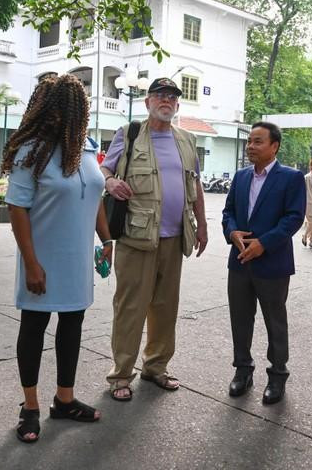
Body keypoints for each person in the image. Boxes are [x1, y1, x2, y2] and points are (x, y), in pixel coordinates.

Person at [3, 74, 112, 443]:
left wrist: (106, 237)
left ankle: (64, 400)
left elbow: (94, 195)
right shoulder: (30, 151)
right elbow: (17, 210)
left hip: (78, 257)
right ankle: (29, 406)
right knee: (34, 327)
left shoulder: (85, 147)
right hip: (43, 258)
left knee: (72, 324)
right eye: (79, 107)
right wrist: (31, 263)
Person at [101, 77, 208, 401]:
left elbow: (196, 185)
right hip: (136, 236)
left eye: (172, 97)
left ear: (177, 104)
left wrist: (202, 224)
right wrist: (110, 184)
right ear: (148, 102)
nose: (166, 101)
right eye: (160, 95)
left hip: (174, 238)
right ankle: (121, 375)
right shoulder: (129, 134)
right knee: (130, 307)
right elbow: (104, 170)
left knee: (165, 307)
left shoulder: (187, 140)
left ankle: (156, 366)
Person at [221, 122, 305, 403]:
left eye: (258, 142)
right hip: (239, 262)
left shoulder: (291, 178)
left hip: (272, 263)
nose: (251, 147)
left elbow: (294, 218)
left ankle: (278, 374)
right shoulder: (241, 177)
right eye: (250, 142)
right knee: (240, 320)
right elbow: (228, 211)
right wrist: (231, 232)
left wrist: (263, 244)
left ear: (274, 146)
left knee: (275, 321)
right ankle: (242, 371)